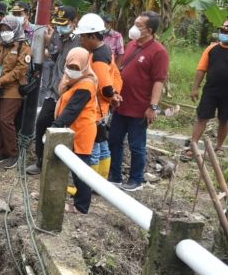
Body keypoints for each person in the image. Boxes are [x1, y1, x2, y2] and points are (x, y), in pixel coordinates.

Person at [109, 11, 169, 191]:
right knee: (114, 140)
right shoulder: (131, 45)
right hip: (121, 104)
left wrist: (153, 107)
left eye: (138, 25)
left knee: (137, 145)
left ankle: (136, 179)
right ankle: (115, 176)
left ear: (149, 30)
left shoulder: (159, 52)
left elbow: (159, 81)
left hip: (140, 108)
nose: (134, 27)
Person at [27, 6, 80, 175]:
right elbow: (55, 57)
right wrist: (49, 43)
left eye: (64, 24)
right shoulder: (57, 36)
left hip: (71, 92)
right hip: (54, 91)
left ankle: (65, 166)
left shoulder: (80, 41)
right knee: (42, 122)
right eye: (57, 24)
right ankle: (41, 161)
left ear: (74, 23)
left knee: (66, 128)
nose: (59, 27)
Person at [75, 13, 123, 180]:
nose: (81, 40)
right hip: (102, 108)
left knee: (93, 146)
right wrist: (115, 95)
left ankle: (89, 182)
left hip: (95, 108)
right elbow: (116, 76)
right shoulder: (105, 50)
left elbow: (105, 86)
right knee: (102, 144)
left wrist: (112, 95)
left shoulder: (98, 56)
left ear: (93, 36)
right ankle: (101, 179)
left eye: (83, 36)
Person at [53, 47, 98, 214]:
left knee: (81, 170)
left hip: (82, 131)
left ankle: (81, 206)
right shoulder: (72, 81)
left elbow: (72, 110)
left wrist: (56, 126)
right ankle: (64, 197)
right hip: (72, 130)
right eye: (70, 67)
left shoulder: (86, 84)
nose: (71, 71)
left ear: (86, 66)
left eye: (76, 68)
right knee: (71, 166)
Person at [0, 16, 32, 168]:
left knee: (6, 119)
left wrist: (1, 80)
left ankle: (13, 153)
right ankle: (2, 152)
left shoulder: (23, 46)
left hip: (12, 89)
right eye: (2, 30)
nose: (5, 33)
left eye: (8, 30)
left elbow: (20, 70)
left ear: (16, 29)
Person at [183, 20, 228, 161]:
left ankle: (219, 146)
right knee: (202, 117)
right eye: (223, 31)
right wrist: (195, 88)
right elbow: (201, 69)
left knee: (225, 120)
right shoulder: (211, 49)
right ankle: (193, 146)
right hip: (211, 91)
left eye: (227, 32)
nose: (224, 34)